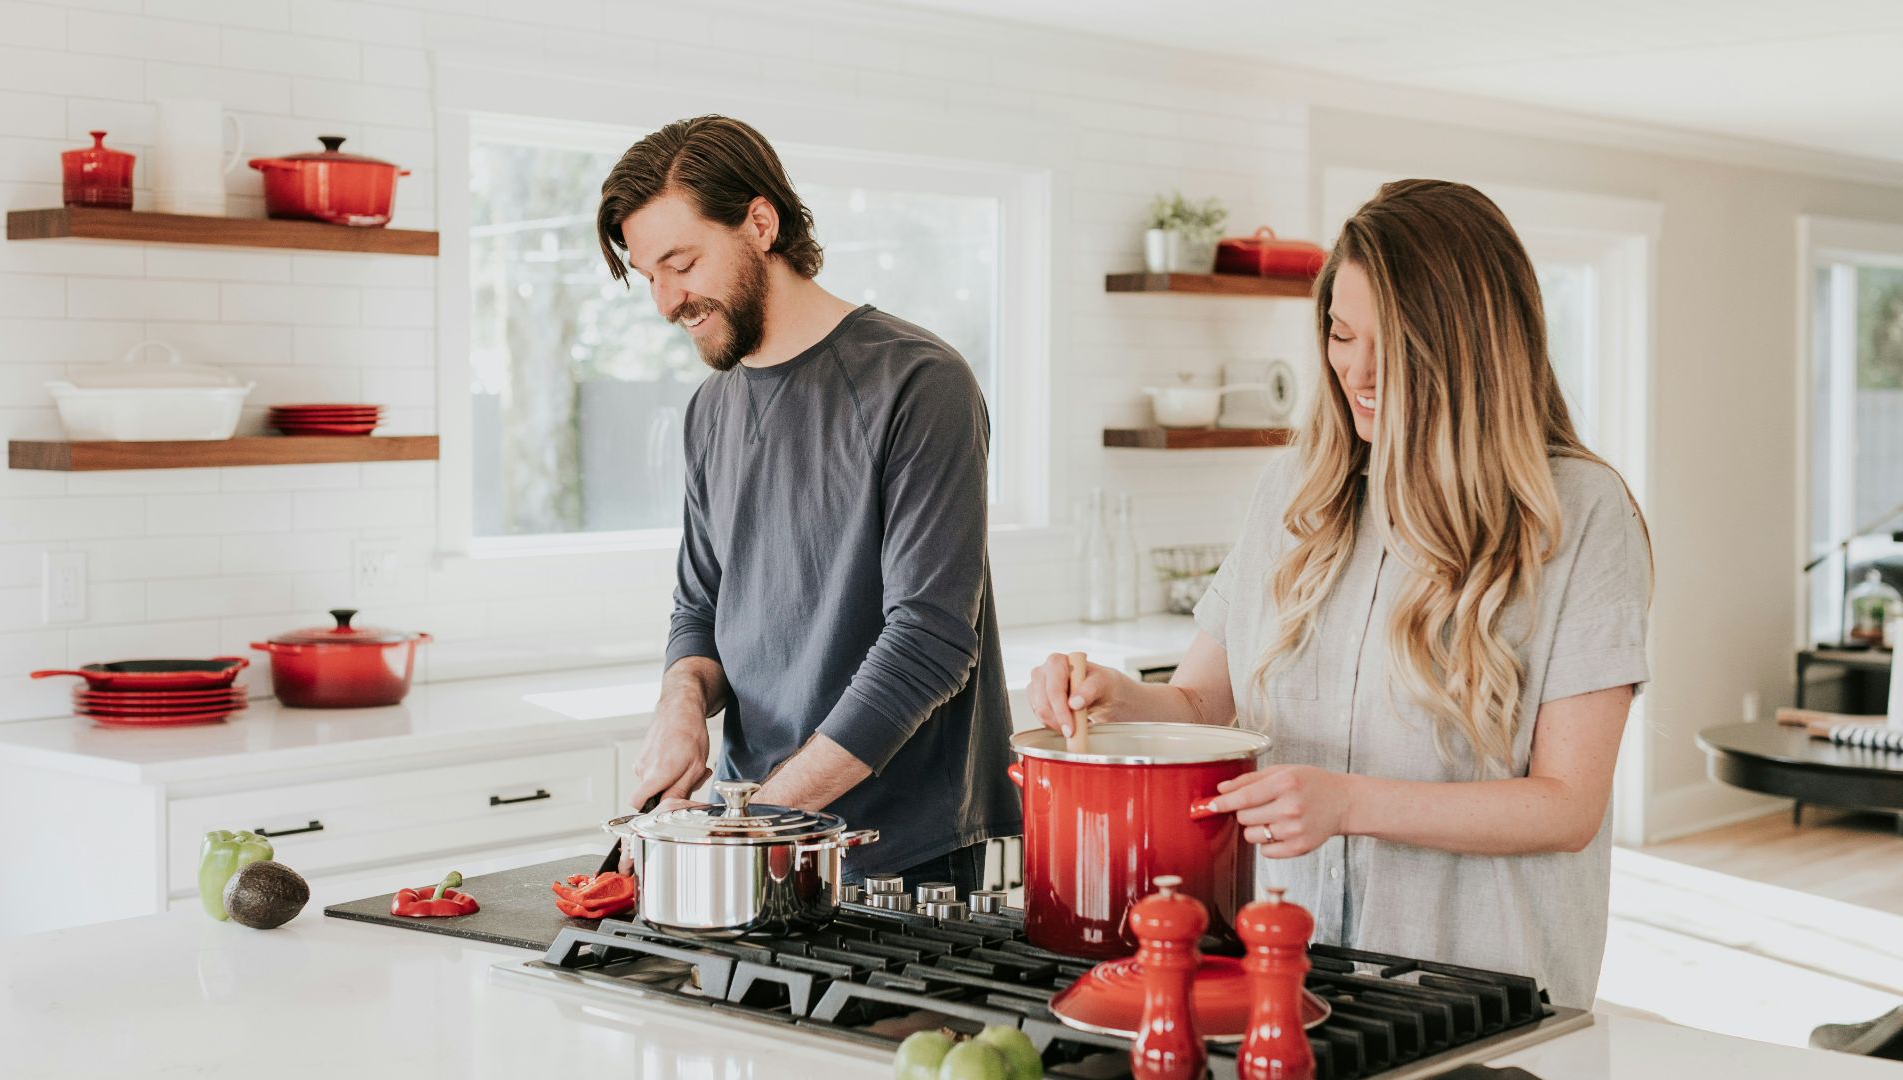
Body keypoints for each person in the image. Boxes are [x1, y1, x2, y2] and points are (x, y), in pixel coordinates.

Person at [1028, 179, 1651, 1008]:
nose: (1357, 370)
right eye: (1340, 333)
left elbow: (1567, 805)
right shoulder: (1295, 491)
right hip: (1286, 975)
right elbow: (1208, 703)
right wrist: (1120, 701)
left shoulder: (1580, 515)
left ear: (1472, 345)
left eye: (1389, 342)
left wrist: (1350, 803)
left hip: (1476, 991)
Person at [597, 115, 1020, 897]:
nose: (665, 302)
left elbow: (930, 642)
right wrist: (681, 704)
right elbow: (701, 607)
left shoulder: (920, 383)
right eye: (647, 274)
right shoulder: (710, 409)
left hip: (898, 854)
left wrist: (753, 825)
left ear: (761, 223)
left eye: (680, 263)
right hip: (747, 833)